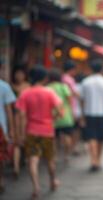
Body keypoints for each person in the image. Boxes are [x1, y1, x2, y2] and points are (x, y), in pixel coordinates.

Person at [16, 66, 62, 199]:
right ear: (44, 78)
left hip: (31, 130)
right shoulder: (49, 92)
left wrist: (20, 134)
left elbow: (21, 116)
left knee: (33, 160)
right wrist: (52, 118)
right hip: (47, 130)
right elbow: (60, 111)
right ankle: (53, 181)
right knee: (50, 159)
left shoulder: (25, 93)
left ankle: (36, 187)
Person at [79, 59, 103, 172]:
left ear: (91, 69)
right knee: (100, 137)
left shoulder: (85, 82)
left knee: (91, 137)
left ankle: (93, 159)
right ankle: (98, 160)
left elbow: (82, 99)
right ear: (102, 69)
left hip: (89, 113)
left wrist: (82, 114)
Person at [48, 69, 74, 162]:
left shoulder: (47, 87)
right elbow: (70, 100)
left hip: (52, 117)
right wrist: (72, 111)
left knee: (54, 138)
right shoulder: (64, 87)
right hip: (65, 115)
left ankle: (54, 156)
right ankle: (66, 154)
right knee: (67, 135)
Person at [11, 69, 30, 178]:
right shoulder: (11, 87)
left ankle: (26, 161)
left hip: (26, 116)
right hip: (16, 116)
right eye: (17, 74)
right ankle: (16, 167)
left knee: (26, 141)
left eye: (21, 74)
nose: (19, 76)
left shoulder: (28, 87)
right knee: (17, 142)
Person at [62, 61, 81, 155]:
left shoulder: (61, 78)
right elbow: (75, 93)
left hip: (62, 107)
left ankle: (67, 148)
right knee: (73, 130)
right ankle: (71, 148)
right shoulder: (70, 80)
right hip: (71, 107)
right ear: (72, 69)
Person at [0, 79, 16, 193]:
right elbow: (9, 110)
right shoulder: (4, 86)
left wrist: (11, 129)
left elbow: (9, 110)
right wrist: (11, 130)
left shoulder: (4, 86)